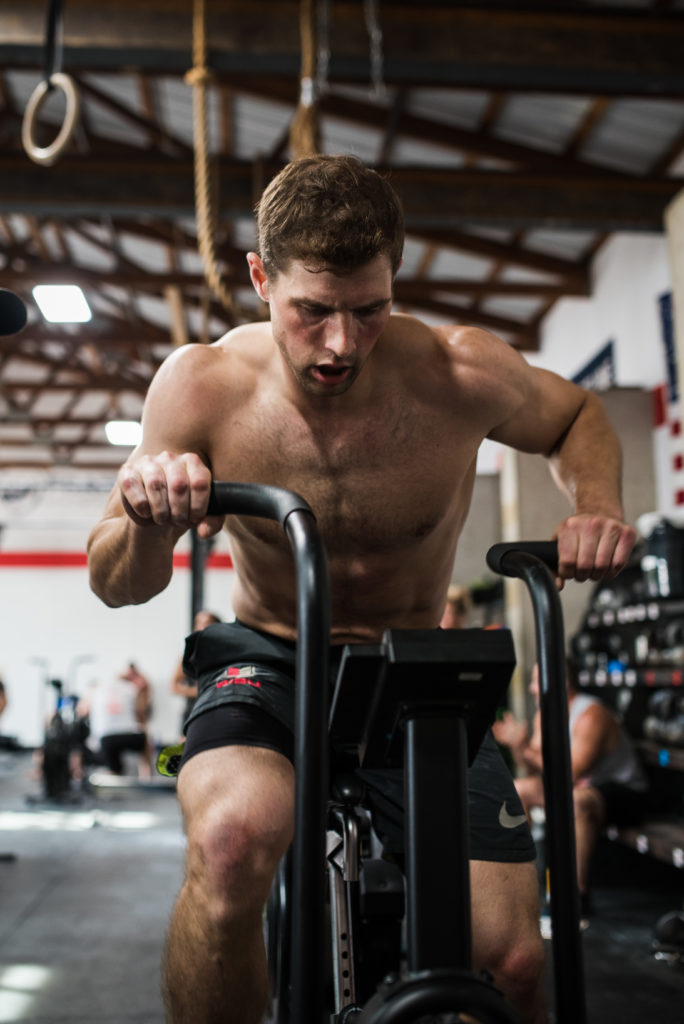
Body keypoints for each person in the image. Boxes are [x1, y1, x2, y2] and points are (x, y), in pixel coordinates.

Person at [87, 154, 636, 1024]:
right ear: (262, 279)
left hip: (415, 670)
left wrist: (599, 506)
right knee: (232, 845)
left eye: (369, 309)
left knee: (515, 960)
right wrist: (150, 519)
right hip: (268, 655)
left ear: (396, 281)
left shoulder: (462, 373)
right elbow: (116, 580)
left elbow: (578, 417)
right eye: (312, 311)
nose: (341, 343)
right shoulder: (201, 386)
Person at [493, 660, 648, 919]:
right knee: (518, 790)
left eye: (536, 681)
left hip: (622, 792)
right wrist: (518, 747)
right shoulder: (544, 714)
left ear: (560, 683)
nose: (532, 688)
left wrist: (526, 748)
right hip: (575, 788)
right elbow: (535, 770)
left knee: (577, 801)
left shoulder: (591, 715)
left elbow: (571, 772)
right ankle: (526, 885)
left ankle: (576, 896)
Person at [81, 663, 153, 778]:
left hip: (104, 739)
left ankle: (114, 771)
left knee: (114, 765)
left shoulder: (97, 689)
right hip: (128, 736)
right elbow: (141, 713)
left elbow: (82, 711)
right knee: (145, 738)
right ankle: (147, 774)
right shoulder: (133, 689)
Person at [170, 610, 221, 734]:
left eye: (207, 623)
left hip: (217, 711)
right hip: (193, 711)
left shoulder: (224, 653)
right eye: (198, 623)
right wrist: (200, 690)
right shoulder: (188, 655)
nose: (202, 627)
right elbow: (174, 686)